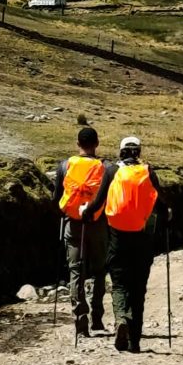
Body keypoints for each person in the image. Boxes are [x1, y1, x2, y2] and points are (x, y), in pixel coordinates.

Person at [82, 136, 168, 353]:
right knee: (138, 288)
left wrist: (85, 211)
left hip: (117, 238)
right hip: (143, 239)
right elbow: (162, 206)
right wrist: (166, 218)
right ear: (138, 152)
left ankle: (121, 317)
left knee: (119, 283)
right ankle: (135, 341)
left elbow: (99, 201)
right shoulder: (148, 171)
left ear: (121, 152)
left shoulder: (111, 171)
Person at [52, 127, 108, 338]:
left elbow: (57, 197)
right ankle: (98, 317)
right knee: (100, 270)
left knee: (76, 271)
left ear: (78, 144)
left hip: (73, 223)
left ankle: (80, 317)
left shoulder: (65, 165)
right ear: (97, 143)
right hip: (98, 223)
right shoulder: (104, 167)